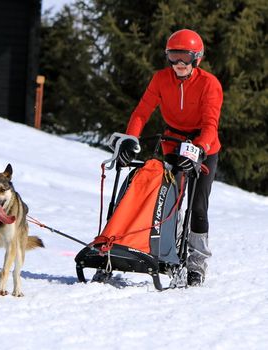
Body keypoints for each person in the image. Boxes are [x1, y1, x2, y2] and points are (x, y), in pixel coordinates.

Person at [118, 29, 223, 286]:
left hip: (204, 147)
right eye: (173, 57)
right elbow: (142, 112)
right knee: (169, 203)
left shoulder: (209, 83)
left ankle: (197, 264)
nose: (178, 64)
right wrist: (131, 138)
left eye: (184, 58)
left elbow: (211, 124)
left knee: (197, 207)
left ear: (196, 58)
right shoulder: (160, 79)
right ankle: (168, 253)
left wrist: (198, 149)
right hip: (173, 143)